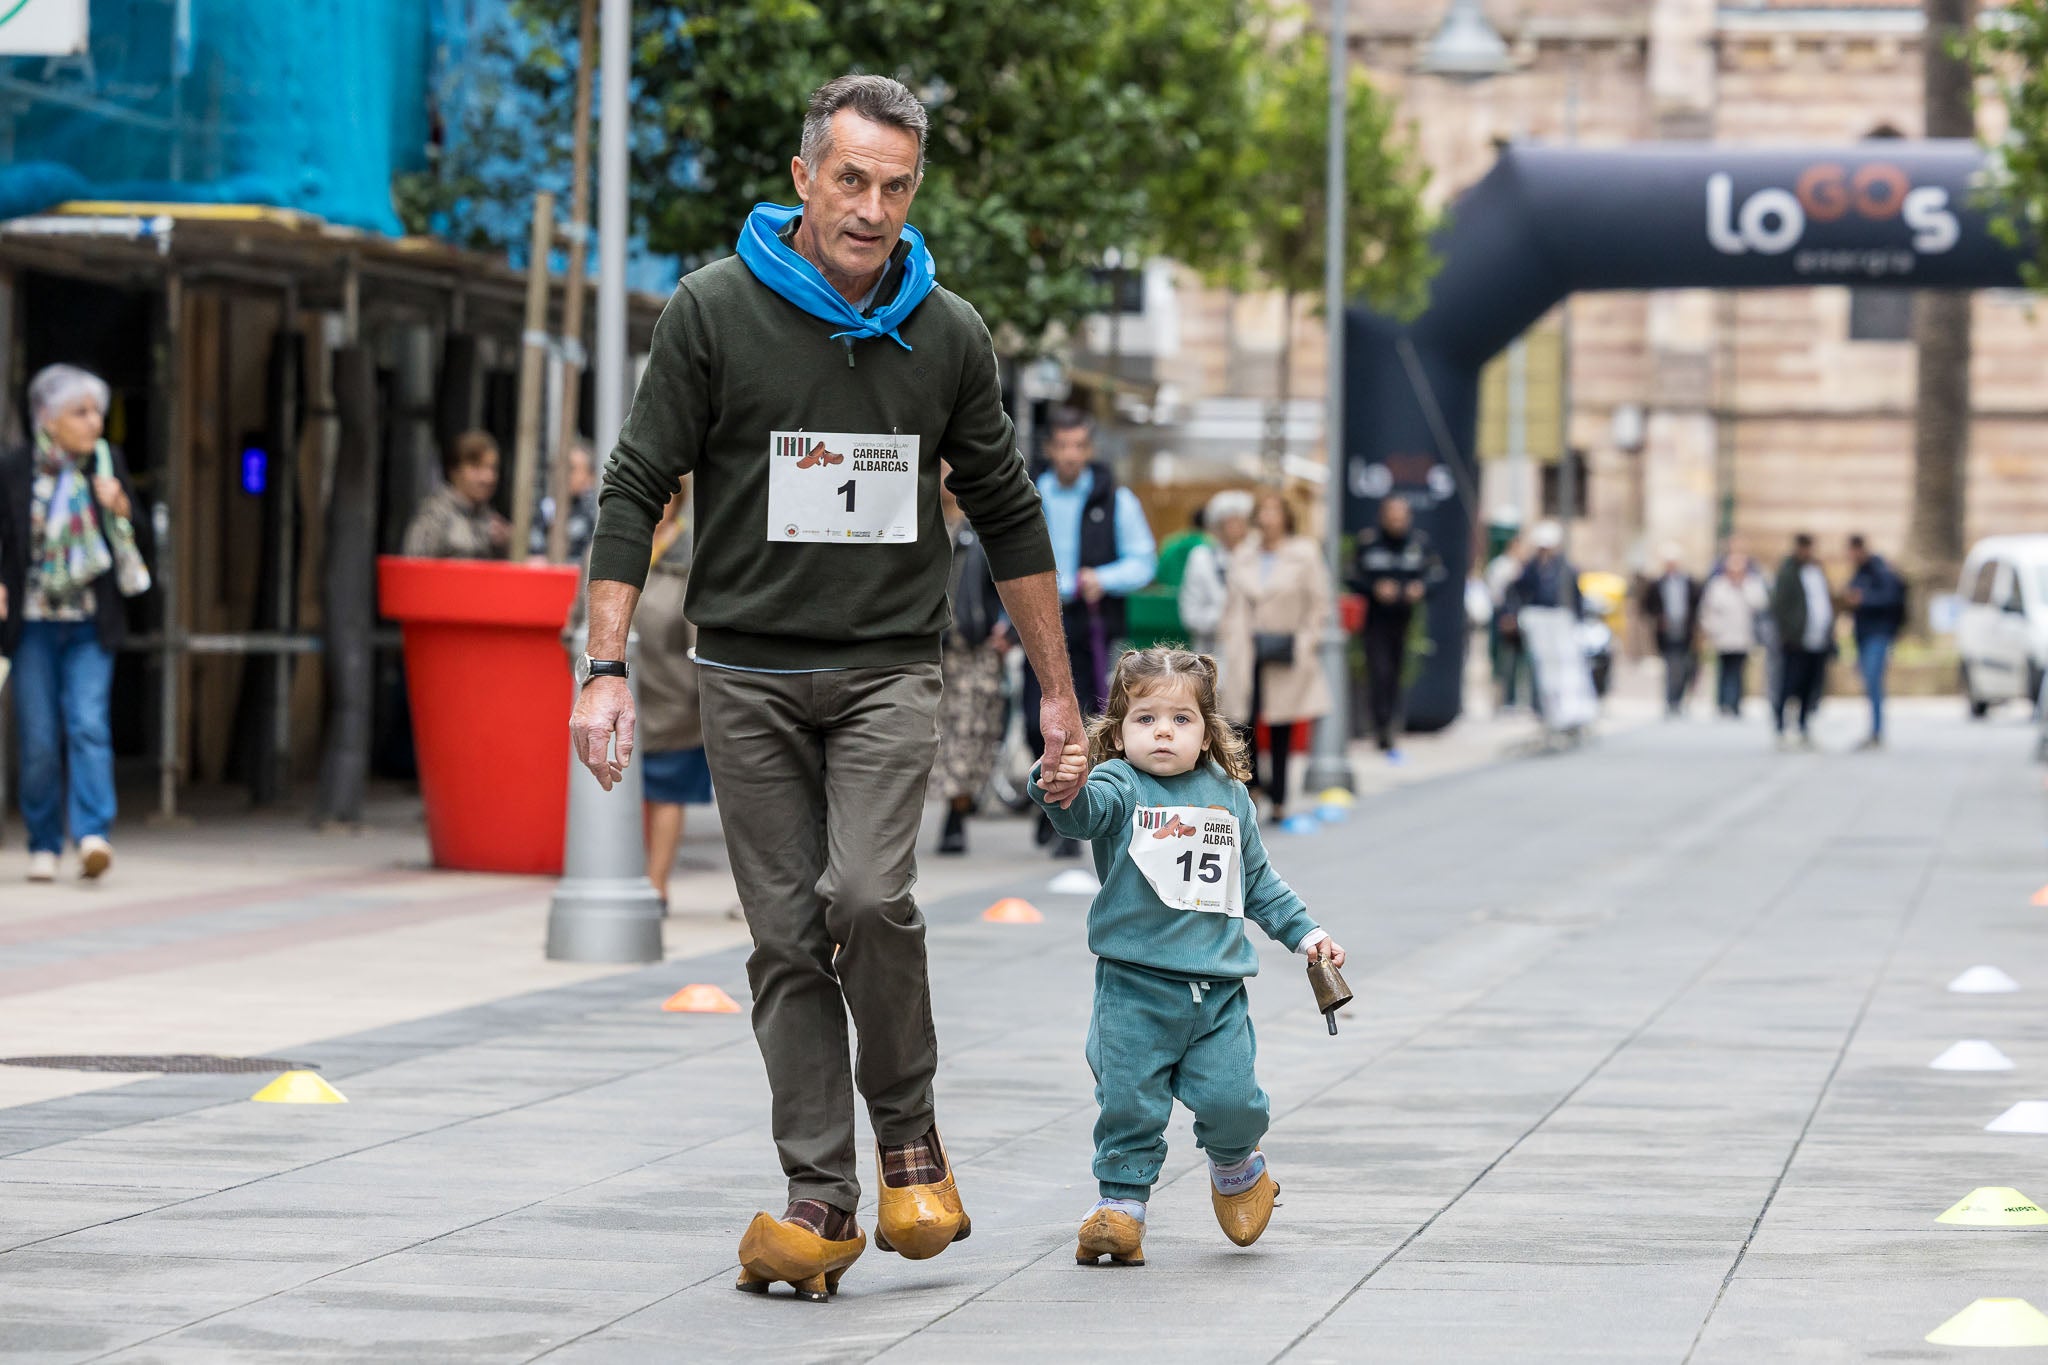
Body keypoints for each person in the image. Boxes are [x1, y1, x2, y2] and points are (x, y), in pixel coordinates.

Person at [569, 74, 1085, 1301]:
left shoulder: (946, 331)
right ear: (803, 176)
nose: (869, 209)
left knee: (863, 896)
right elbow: (635, 489)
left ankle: (906, 1129)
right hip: (743, 671)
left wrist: (1060, 696)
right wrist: (600, 669)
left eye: (894, 187)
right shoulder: (711, 312)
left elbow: (1007, 514)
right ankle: (819, 1190)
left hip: (883, 671)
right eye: (848, 179)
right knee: (785, 936)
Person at [1029, 647, 1346, 1267]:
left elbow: (1258, 882)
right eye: (1145, 719)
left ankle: (1236, 1168)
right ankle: (1121, 1208)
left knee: (1234, 1100)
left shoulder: (1228, 797)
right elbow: (1081, 817)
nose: (1163, 732)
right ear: (1118, 731)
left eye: (1181, 720)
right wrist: (1059, 786)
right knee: (1126, 1102)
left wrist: (1308, 936)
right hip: (1131, 988)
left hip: (1216, 992)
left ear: (1207, 734)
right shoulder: (1118, 784)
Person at [0, 364, 149, 883]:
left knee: (88, 725)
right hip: (34, 624)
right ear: (47, 416)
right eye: (80, 413)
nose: (93, 424)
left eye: (97, 413)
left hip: (89, 622)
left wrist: (121, 506)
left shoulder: (107, 464)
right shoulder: (16, 469)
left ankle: (92, 835)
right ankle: (43, 842)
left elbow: (139, 541)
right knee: (39, 737)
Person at [1026, 406, 1156, 857]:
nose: (1070, 455)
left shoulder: (1115, 498)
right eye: (1062, 446)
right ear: (1050, 449)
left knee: (1087, 718)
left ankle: (1071, 813)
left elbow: (1143, 561)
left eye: (1078, 446)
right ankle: (1044, 800)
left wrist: (1104, 577)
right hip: (1037, 619)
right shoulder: (1030, 491)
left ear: (1089, 448)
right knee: (1031, 718)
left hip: (1091, 622)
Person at [1219, 492, 1330, 823]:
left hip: (1286, 645)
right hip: (1246, 647)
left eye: (1273, 510)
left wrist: (1307, 642)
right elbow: (1232, 603)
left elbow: (1319, 603)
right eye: (1263, 510)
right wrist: (1230, 637)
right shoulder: (1244, 553)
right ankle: (1251, 788)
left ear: (1286, 516)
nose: (1267, 517)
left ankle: (1280, 797)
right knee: (1242, 719)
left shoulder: (1304, 554)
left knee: (1282, 722)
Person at [634, 488, 711, 910]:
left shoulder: (690, 556)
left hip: (675, 702)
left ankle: (656, 886)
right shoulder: (609, 549)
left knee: (666, 790)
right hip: (622, 692)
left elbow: (699, 638)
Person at [934, 461, 1010, 855]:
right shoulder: (918, 520)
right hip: (925, 646)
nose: (948, 474)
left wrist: (1008, 629)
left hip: (974, 647)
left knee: (969, 731)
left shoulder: (984, 525)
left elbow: (1016, 577)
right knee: (929, 733)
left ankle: (956, 815)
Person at [1347, 496, 1442, 762]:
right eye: (1392, 516)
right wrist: (1374, 589)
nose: (1397, 522)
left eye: (1401, 517)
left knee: (1396, 673)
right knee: (1379, 671)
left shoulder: (1418, 543)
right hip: (1376, 619)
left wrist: (1420, 588)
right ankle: (1381, 728)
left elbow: (1436, 574)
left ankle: (1391, 724)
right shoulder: (1369, 543)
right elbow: (1352, 575)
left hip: (1405, 620)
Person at [402, 429, 511, 559]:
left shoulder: (490, 518)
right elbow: (414, 568)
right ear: (454, 471)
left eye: (492, 468)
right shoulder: (435, 515)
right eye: (476, 467)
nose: (488, 477)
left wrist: (507, 544)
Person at [1769, 532, 1833, 750]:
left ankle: (1804, 726)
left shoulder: (1817, 571)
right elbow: (1779, 605)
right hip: (1796, 641)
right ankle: (1781, 727)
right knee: (1788, 684)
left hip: (1818, 640)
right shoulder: (1788, 572)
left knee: (1810, 686)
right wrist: (1788, 632)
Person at [1844, 533, 1906, 750]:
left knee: (1873, 681)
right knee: (1869, 683)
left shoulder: (1880, 571)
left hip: (1878, 635)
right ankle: (1874, 730)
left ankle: (1877, 731)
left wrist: (1864, 600)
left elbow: (1890, 599)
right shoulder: (1859, 573)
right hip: (1863, 636)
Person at [1178, 489, 1253, 658]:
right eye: (1230, 522)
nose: (1236, 529)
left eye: (1241, 522)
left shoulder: (1258, 559)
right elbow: (1190, 614)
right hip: (1214, 654)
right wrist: (1229, 618)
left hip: (1254, 658)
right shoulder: (1201, 559)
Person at [1698, 551, 1769, 717]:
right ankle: (1723, 703)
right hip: (1722, 636)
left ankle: (1735, 703)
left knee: (1738, 670)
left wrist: (1743, 587)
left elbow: (1760, 604)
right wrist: (1711, 630)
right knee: (1723, 670)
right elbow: (1707, 611)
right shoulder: (1718, 586)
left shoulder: (1751, 585)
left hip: (1743, 635)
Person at [1640, 545, 1702, 718]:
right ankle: (1670, 700)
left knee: (1684, 666)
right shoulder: (1657, 584)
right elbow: (1646, 605)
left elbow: (1698, 604)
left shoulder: (1689, 583)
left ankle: (1679, 698)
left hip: (1685, 630)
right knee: (1670, 666)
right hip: (1665, 631)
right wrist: (1658, 617)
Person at [533, 439, 599, 561]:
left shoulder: (596, 512)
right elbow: (534, 548)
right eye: (558, 468)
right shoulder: (546, 507)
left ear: (590, 476)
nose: (562, 475)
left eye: (571, 469)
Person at [1485, 531, 1528, 710]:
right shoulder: (1500, 566)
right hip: (1503, 616)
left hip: (1520, 617)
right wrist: (1506, 616)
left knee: (1518, 660)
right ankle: (1500, 700)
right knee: (1502, 659)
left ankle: (1515, 699)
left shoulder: (1523, 566)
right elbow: (1497, 595)